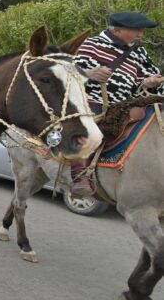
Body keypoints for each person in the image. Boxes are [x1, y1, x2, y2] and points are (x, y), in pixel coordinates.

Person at [70, 10, 163, 195]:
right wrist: (89, 74)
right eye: (136, 30)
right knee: (89, 128)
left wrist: (149, 82)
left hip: (126, 103)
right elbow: (67, 74)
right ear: (118, 30)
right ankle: (80, 175)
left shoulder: (139, 51)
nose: (140, 35)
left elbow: (147, 78)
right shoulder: (91, 45)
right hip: (92, 100)